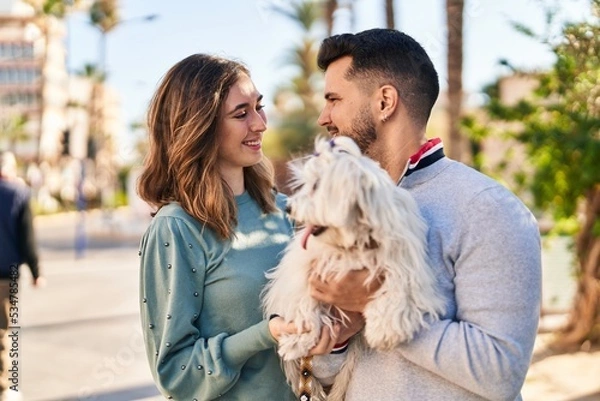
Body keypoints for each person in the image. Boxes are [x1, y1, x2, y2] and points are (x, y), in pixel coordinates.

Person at [308, 29, 542, 401]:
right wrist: (333, 339)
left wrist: (374, 302)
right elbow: (324, 374)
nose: (323, 117)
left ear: (385, 101)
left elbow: (500, 372)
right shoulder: (335, 213)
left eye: (334, 99)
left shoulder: (487, 207)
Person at [137, 53, 302, 400]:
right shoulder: (176, 229)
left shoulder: (287, 210)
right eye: (241, 114)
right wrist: (265, 334)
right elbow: (174, 373)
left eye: (259, 106)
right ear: (200, 127)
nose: (259, 123)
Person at [0, 151, 44, 401]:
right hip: (7, 274)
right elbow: (27, 237)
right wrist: (36, 272)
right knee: (4, 332)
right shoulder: (18, 194)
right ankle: (4, 388)